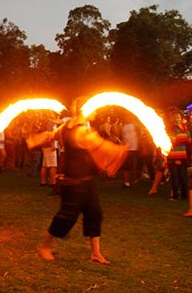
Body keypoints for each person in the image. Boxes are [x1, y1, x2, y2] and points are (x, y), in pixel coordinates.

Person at [27, 99, 127, 265]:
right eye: (93, 108)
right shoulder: (80, 131)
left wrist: (36, 139)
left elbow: (51, 135)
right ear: (83, 110)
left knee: (95, 213)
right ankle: (44, 246)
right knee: (67, 217)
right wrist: (120, 150)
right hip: (73, 182)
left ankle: (96, 253)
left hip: (86, 181)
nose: (96, 111)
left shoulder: (68, 126)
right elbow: (99, 144)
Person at [166, 108, 191, 201]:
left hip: (175, 154)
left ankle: (175, 196)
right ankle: (184, 195)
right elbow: (189, 140)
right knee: (183, 175)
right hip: (183, 154)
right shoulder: (185, 128)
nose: (176, 118)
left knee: (175, 176)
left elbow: (171, 141)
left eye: (177, 117)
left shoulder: (172, 128)